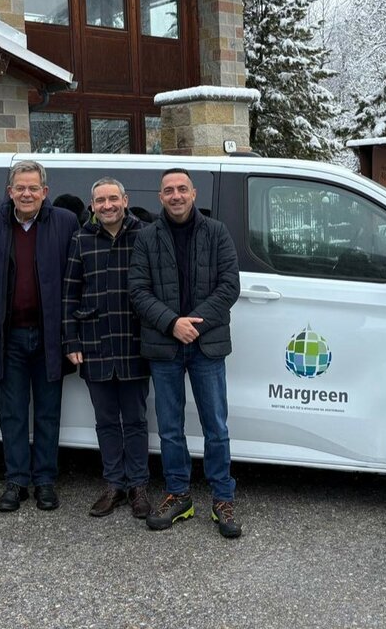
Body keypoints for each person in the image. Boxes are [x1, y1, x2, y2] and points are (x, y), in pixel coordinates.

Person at [128, 167, 243, 539]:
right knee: (171, 428)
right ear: (160, 197)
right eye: (168, 190)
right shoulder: (147, 238)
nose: (176, 195)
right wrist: (172, 323)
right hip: (164, 345)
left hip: (206, 345)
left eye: (182, 189)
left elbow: (229, 286)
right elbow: (138, 291)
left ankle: (223, 498)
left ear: (194, 193)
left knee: (216, 426)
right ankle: (178, 494)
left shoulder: (216, 232)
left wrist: (193, 324)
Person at [0, 160, 79, 512]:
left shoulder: (65, 223)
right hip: (9, 337)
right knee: (13, 413)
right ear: (10, 191)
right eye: (20, 187)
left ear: (45, 192)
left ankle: (45, 481)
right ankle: (16, 481)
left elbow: (76, 282)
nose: (26, 194)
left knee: (49, 412)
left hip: (52, 337)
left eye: (33, 188)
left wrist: (73, 335)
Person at [63, 178, 151, 519]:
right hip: (95, 342)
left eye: (113, 198)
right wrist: (70, 340)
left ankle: (138, 486)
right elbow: (69, 293)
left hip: (135, 343)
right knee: (105, 421)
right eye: (101, 200)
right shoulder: (81, 239)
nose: (108, 205)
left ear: (125, 200)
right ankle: (114, 484)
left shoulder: (145, 236)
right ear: (93, 205)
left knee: (136, 419)